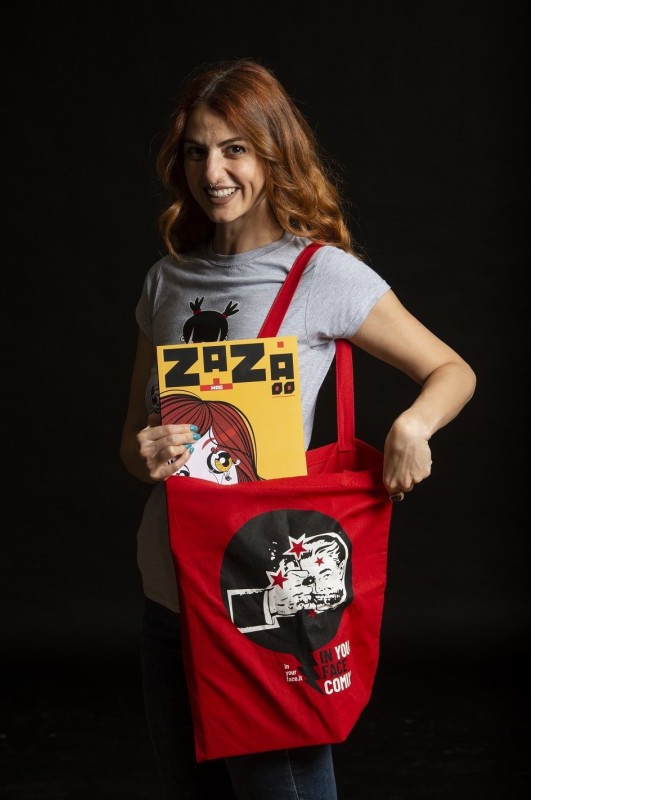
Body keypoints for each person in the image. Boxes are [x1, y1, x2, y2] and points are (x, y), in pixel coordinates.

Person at [120, 58, 476, 800]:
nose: (213, 173)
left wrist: (414, 425)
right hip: (169, 598)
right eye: (196, 151)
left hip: (260, 597)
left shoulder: (321, 275)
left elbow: (452, 370)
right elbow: (131, 443)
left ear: (272, 153)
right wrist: (144, 453)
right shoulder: (166, 281)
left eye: (235, 150)